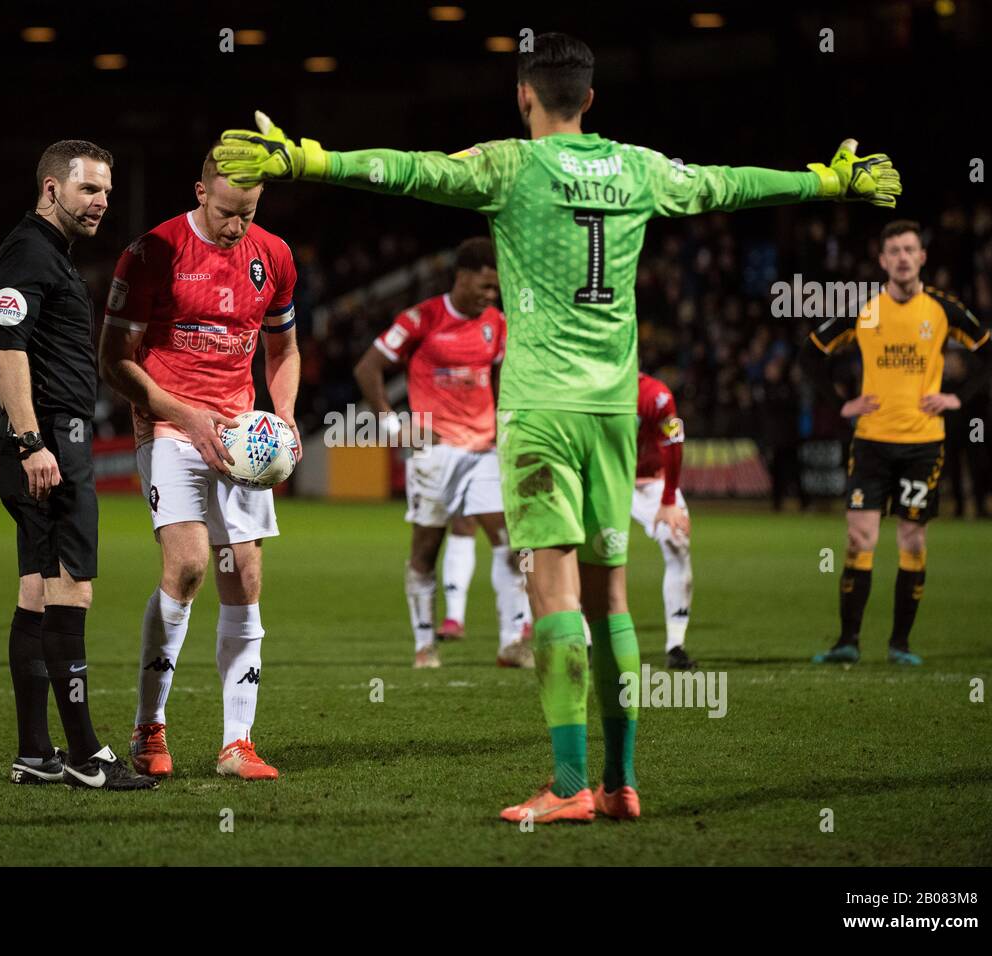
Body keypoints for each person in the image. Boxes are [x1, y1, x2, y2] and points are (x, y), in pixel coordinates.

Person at [215, 31, 901, 822]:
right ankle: (621, 782)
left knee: (553, 594)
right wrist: (825, 181)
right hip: (615, 410)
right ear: (592, 100)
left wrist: (309, 161)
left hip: (541, 413)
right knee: (613, 597)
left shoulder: (511, 165)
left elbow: (412, 170)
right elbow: (729, 185)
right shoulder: (640, 168)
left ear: (523, 96)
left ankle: (571, 785)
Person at [98, 148, 301, 782]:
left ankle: (236, 743)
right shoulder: (152, 252)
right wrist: (185, 416)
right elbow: (114, 359)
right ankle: (149, 724)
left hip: (240, 436)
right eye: (224, 212)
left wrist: (284, 417)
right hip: (168, 425)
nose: (235, 227)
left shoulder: (275, 256)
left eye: (248, 214)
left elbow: (284, 349)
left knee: (242, 573)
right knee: (186, 567)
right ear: (199, 190)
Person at [0, 140, 154, 790]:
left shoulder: (43, 253)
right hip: (50, 442)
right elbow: (6, 349)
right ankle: (86, 756)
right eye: (89, 190)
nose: (102, 202)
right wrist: (33, 442)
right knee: (70, 589)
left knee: (35, 592)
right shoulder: (29, 253)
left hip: (50, 440)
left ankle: (36, 752)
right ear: (52, 188)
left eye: (107, 192)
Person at [799, 220, 992, 666]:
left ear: (922, 256)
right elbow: (810, 353)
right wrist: (841, 403)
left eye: (910, 249)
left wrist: (957, 396)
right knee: (859, 537)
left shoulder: (944, 310)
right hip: (871, 442)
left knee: (911, 540)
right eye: (893, 250)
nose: (903, 257)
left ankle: (900, 645)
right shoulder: (865, 308)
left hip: (922, 445)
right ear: (882, 260)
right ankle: (847, 642)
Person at [354, 236, 532, 669]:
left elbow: (504, 377)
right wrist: (391, 423)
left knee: (509, 544)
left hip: (485, 450)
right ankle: (424, 645)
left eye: (495, 290)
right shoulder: (422, 318)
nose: (490, 297)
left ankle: (512, 642)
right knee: (426, 549)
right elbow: (368, 368)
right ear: (463, 276)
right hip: (434, 453)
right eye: (484, 287)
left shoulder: (497, 324)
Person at [632, 372, 695, 670]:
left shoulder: (656, 395)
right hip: (606, 479)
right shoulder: (588, 386)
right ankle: (588, 642)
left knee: (677, 537)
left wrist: (669, 499)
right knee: (582, 551)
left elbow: (675, 437)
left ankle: (675, 645)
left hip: (650, 481)